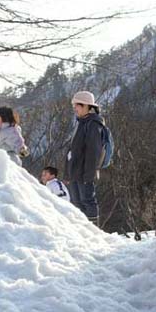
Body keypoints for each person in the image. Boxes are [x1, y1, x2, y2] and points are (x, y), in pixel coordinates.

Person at [65, 91, 103, 225]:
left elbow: (94, 152)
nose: (74, 108)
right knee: (77, 203)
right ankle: (83, 232)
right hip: (75, 172)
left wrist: (89, 175)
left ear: (87, 106)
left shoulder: (93, 124)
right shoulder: (81, 123)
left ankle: (94, 232)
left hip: (85, 172)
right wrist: (68, 173)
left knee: (87, 201)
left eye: (77, 105)